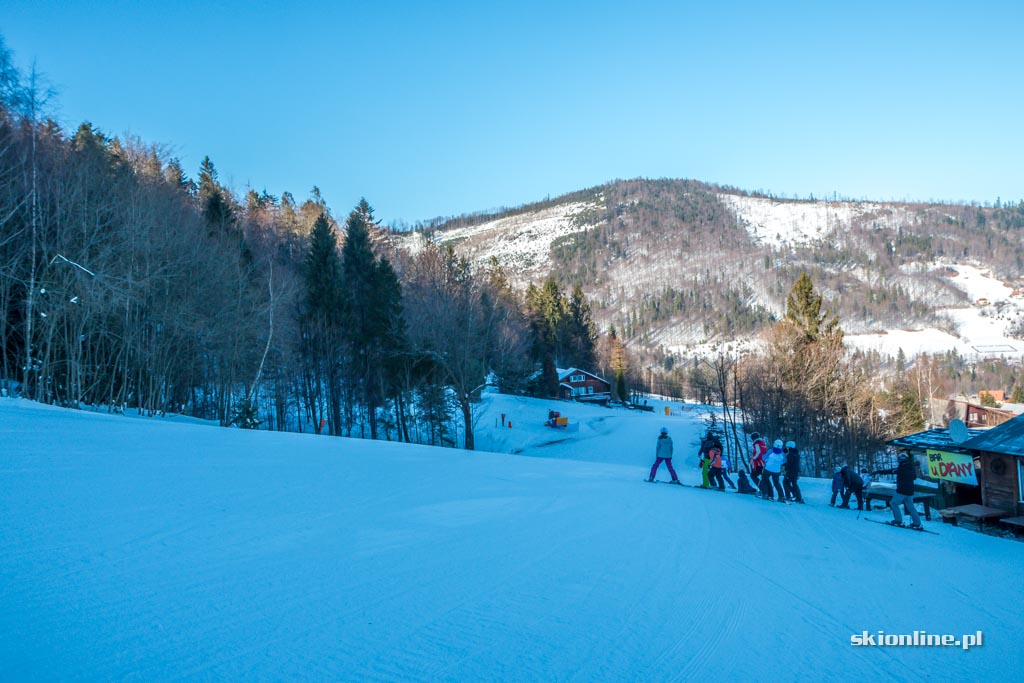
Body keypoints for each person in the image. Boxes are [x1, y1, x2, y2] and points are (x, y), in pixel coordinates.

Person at [875, 451, 924, 528]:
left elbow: (891, 471)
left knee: (893, 503)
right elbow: (914, 477)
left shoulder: (901, 468)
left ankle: (898, 521)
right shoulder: (911, 467)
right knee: (910, 507)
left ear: (900, 460)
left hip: (902, 490)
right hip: (910, 491)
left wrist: (879, 472)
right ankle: (917, 523)